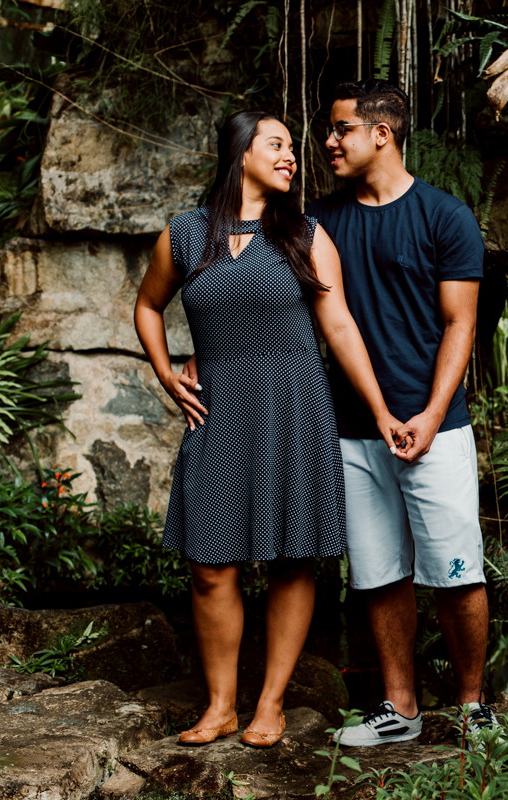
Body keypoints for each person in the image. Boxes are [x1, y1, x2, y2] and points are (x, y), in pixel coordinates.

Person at [134, 110, 402, 748]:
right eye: (276, 145)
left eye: (291, 147)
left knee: (290, 563)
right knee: (210, 568)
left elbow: (338, 328)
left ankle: (271, 704)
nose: (291, 156)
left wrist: (383, 409)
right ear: (239, 154)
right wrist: (167, 373)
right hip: (218, 414)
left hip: (295, 412)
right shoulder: (185, 234)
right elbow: (147, 305)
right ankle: (220, 705)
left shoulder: (305, 235)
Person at [304, 80, 491, 747]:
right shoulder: (321, 223)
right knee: (380, 573)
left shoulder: (446, 216)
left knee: (456, 570)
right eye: (329, 129)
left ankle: (472, 705)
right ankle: (400, 708)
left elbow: (458, 325)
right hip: (358, 429)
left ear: (382, 133)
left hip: (437, 428)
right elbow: (328, 322)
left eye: (341, 128)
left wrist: (431, 414)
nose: (329, 141)